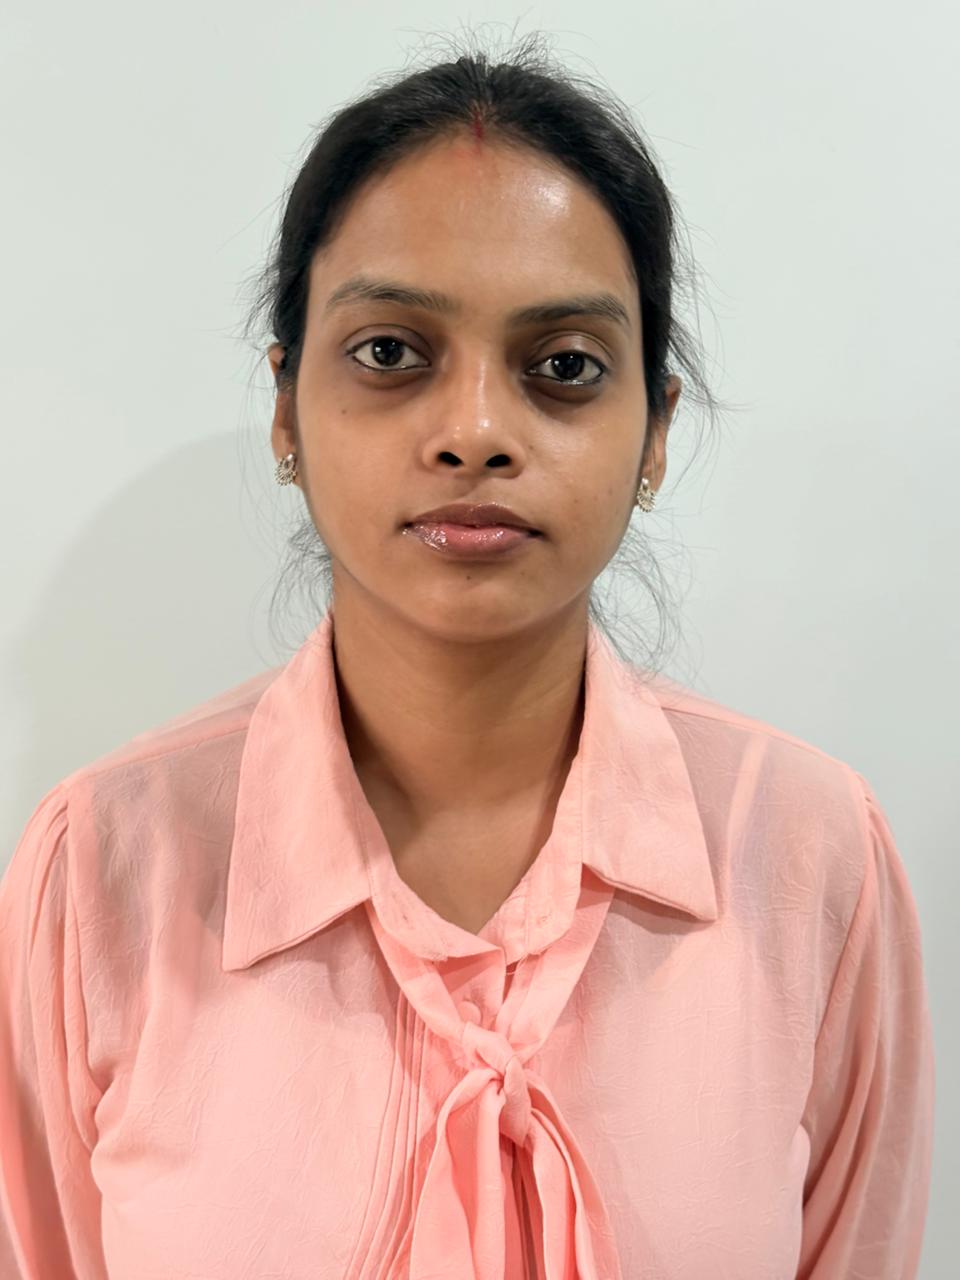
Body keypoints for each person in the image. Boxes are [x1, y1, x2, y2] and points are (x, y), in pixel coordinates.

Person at [0, 32, 934, 1280]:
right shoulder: (103, 868)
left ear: (655, 429)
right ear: (284, 407)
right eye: (391, 352)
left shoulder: (810, 851)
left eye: (564, 367)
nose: (477, 430)